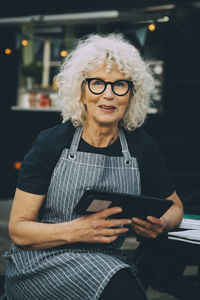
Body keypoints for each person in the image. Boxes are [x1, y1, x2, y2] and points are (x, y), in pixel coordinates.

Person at [3, 33, 183, 300]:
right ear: (81, 90)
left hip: (106, 259)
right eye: (98, 83)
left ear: (132, 94)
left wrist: (162, 223)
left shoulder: (141, 147)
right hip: (41, 262)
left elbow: (176, 208)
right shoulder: (51, 143)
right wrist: (77, 230)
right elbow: (19, 230)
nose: (108, 95)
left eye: (120, 85)